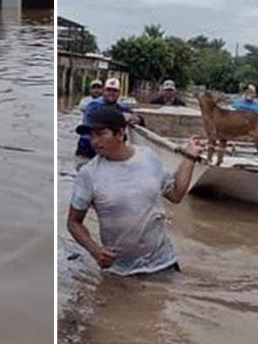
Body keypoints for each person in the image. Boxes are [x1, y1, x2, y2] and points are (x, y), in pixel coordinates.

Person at [66, 106, 205, 276]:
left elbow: (176, 194)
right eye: (92, 135)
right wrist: (94, 250)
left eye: (101, 134)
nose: (94, 141)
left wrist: (190, 157)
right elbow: (73, 222)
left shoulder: (149, 157)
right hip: (119, 271)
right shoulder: (88, 175)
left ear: (120, 133)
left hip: (163, 264)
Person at [74, 78, 140, 170]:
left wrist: (136, 118)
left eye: (115, 90)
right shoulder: (93, 106)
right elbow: (98, 123)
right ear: (103, 91)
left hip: (108, 155)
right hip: (87, 153)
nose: (111, 93)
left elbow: (137, 117)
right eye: (109, 90)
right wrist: (122, 118)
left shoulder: (120, 107)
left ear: (119, 93)